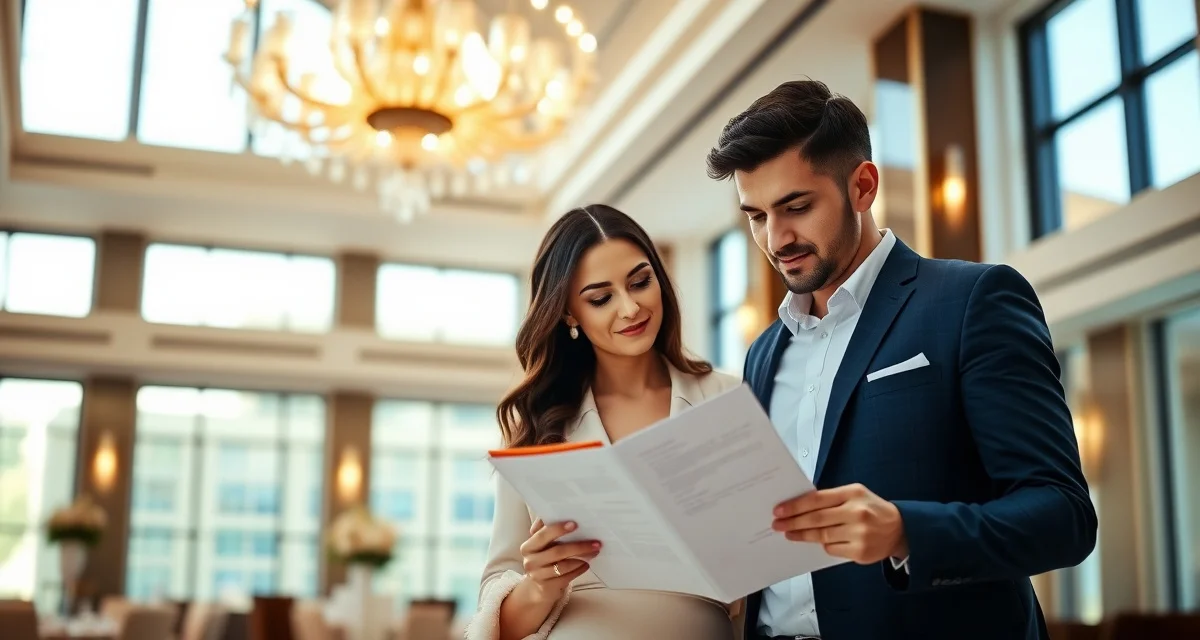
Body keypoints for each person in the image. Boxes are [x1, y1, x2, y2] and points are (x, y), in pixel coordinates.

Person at [704, 79, 1098, 640]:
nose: (776, 238)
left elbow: (1064, 516)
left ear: (862, 186)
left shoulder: (972, 301)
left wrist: (905, 532)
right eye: (756, 216)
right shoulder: (763, 353)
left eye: (797, 207)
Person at [465, 204, 744, 640]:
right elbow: (497, 621)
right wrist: (540, 586)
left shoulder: (727, 398)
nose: (630, 308)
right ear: (569, 313)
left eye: (640, 282)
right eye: (601, 298)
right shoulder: (538, 424)